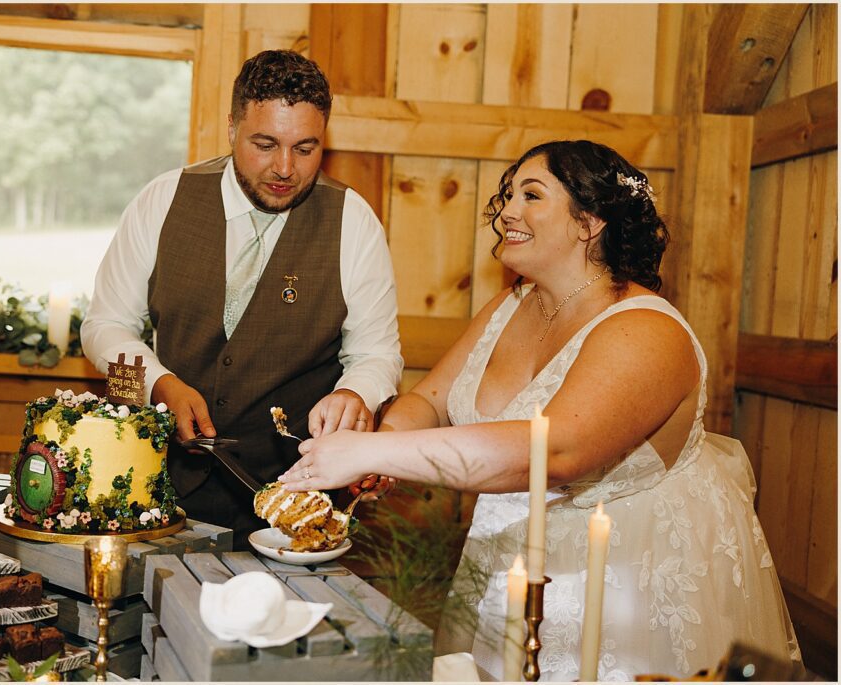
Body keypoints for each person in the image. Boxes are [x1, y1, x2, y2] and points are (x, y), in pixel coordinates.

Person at [280, 140, 801, 680]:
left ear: (589, 222)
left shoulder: (649, 331)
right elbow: (431, 401)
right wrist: (382, 448)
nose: (507, 211)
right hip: (507, 572)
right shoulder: (510, 305)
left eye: (531, 195)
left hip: (622, 591)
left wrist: (369, 451)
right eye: (509, 195)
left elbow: (552, 452)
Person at [81, 50, 402, 548]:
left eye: (305, 148)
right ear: (232, 128)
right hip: (155, 490)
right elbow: (104, 326)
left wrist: (355, 394)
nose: (284, 168)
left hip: (292, 503)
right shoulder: (162, 200)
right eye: (265, 144)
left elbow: (377, 355)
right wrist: (158, 384)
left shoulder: (354, 223)